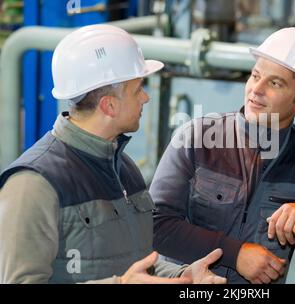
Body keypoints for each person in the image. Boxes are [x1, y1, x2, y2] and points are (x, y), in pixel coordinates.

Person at [149, 27, 295, 284]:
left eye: (275, 82)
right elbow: (155, 225)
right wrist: (236, 254)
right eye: (255, 76)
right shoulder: (198, 137)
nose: (257, 89)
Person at [0, 24, 226, 284]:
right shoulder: (33, 184)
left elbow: (135, 267)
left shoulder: (124, 168)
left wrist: (182, 275)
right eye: (138, 88)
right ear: (109, 105)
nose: (145, 98)